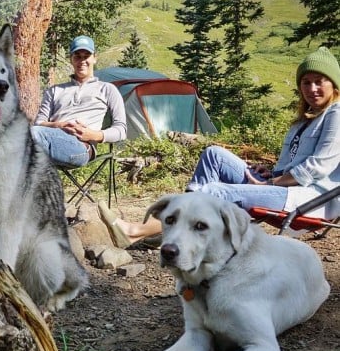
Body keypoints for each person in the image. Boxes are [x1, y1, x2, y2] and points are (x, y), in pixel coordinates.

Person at [101, 46, 340, 247]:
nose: (312, 89)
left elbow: (315, 168)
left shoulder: (336, 114)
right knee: (214, 155)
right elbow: (293, 163)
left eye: (319, 82)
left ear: (334, 85)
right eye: (306, 83)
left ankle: (136, 231)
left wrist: (270, 183)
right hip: (286, 189)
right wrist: (274, 173)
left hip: (308, 200)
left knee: (217, 191)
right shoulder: (306, 119)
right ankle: (174, 232)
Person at [31, 35, 127, 168]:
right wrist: (59, 125)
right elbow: (39, 122)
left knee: (29, 136)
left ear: (94, 58)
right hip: (47, 138)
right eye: (77, 56)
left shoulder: (107, 89)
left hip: (81, 146)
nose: (82, 61)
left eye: (86, 56)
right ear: (71, 59)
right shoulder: (54, 91)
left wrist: (93, 135)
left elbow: (121, 130)